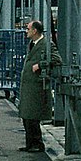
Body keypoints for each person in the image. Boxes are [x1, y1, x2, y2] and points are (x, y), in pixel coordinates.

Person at [19, 20, 62, 152]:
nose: (26, 31)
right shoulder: (32, 44)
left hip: (37, 86)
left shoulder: (46, 44)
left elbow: (57, 59)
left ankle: (37, 144)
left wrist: (40, 65)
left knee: (33, 116)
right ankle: (29, 143)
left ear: (35, 31)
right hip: (28, 86)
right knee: (26, 116)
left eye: (28, 29)